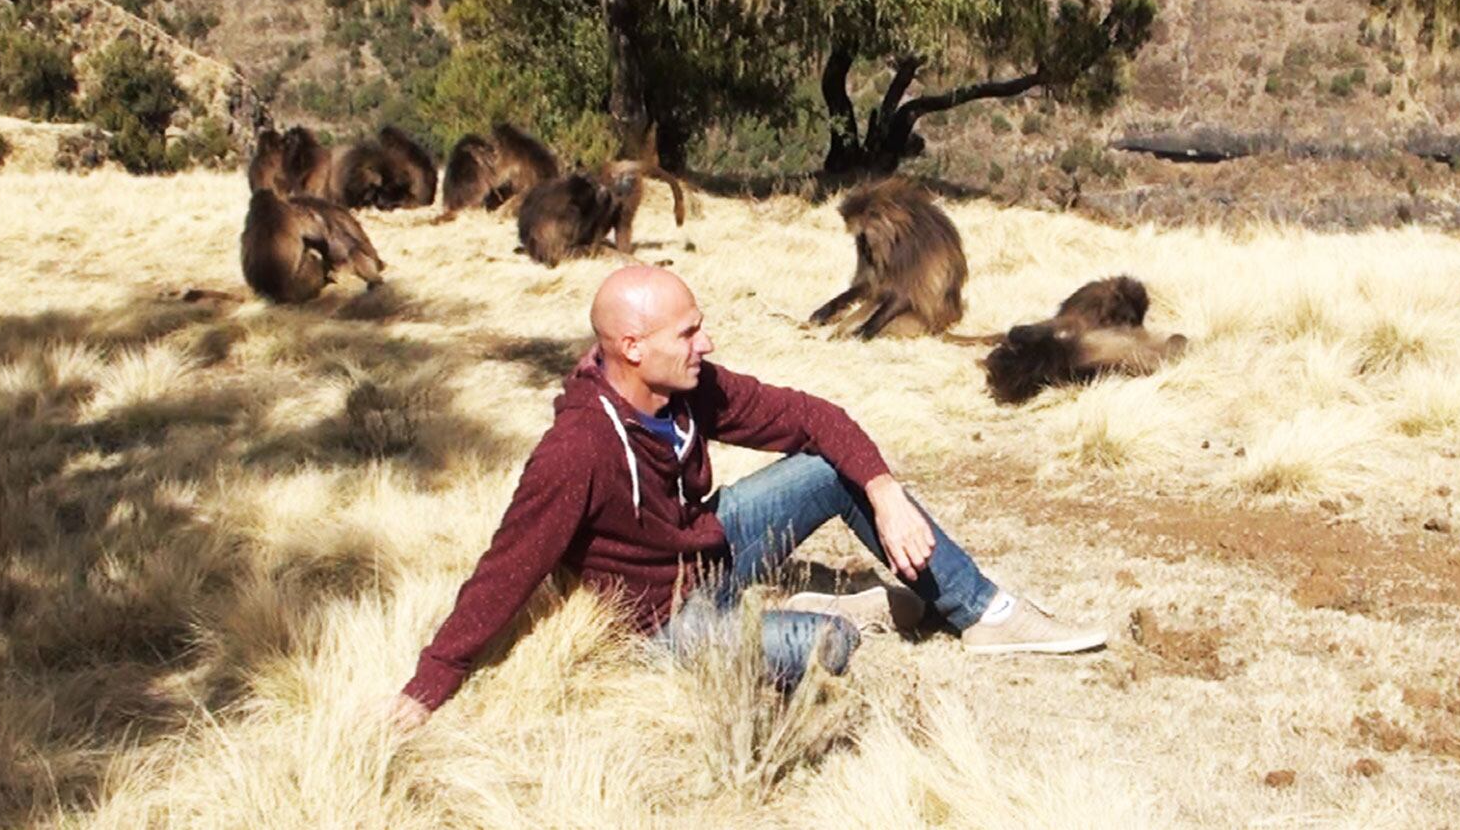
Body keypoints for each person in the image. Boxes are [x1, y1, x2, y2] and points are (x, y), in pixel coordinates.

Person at [389, 266, 1105, 730]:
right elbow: (506, 567)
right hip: (653, 624)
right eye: (689, 331)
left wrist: (884, 493)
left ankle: (983, 612)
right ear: (632, 346)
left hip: (707, 552)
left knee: (832, 467)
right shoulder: (577, 450)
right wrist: (428, 687)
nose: (706, 342)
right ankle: (824, 611)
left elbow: (812, 416)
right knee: (827, 646)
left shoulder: (690, 387)